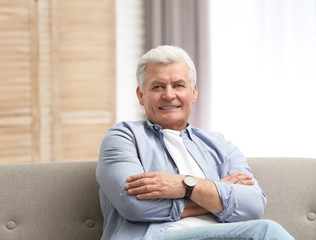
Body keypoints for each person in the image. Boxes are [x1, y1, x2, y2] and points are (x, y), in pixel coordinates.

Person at [96, 45, 294, 240]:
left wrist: (185, 186)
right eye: (157, 86)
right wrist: (213, 192)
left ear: (194, 92)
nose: (169, 94)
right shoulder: (123, 138)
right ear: (141, 95)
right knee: (266, 232)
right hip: (158, 237)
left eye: (178, 85)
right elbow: (133, 206)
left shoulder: (221, 145)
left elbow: (253, 206)